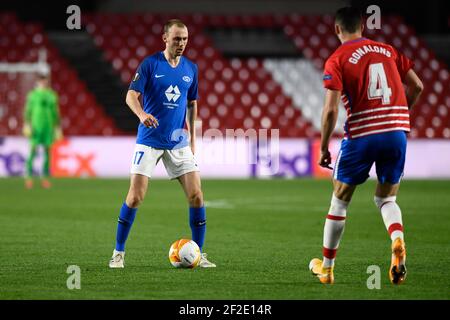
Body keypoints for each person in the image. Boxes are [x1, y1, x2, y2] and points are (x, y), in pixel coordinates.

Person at [309, 7, 423, 284]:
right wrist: (397, 117)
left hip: (362, 134)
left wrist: (324, 147)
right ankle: (397, 239)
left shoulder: (337, 58)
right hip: (396, 131)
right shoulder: (388, 50)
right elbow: (417, 86)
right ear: (362, 26)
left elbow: (330, 111)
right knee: (386, 198)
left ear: (337, 29)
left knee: (340, 199)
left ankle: (327, 268)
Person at [109, 19, 216, 268]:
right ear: (165, 38)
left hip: (178, 141)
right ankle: (118, 253)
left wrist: (192, 138)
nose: (182, 43)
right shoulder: (150, 65)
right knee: (135, 197)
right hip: (149, 140)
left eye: (185, 39)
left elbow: (192, 103)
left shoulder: (191, 69)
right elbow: (130, 96)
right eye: (177, 38)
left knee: (197, 196)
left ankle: (199, 254)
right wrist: (142, 115)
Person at [23, 72, 62, 189]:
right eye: (42, 81)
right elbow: (27, 111)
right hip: (36, 127)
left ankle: (45, 178)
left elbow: (56, 112)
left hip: (48, 127)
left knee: (47, 153)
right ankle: (29, 177)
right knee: (32, 151)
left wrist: (58, 127)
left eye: (45, 81)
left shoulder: (52, 95)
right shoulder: (32, 95)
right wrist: (26, 124)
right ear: (38, 82)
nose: (44, 83)